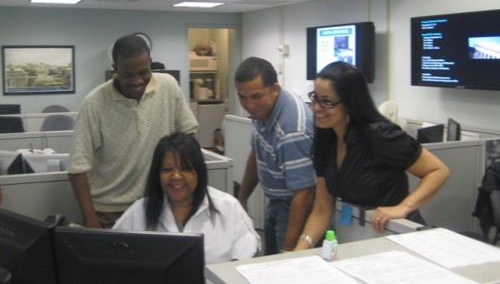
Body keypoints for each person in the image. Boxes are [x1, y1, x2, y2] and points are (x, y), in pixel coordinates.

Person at [294, 61, 450, 251]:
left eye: (327, 102)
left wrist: (404, 207)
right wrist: (298, 252)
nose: (317, 108)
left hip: (398, 237)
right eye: (315, 98)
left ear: (350, 103)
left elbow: (438, 170)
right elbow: (322, 209)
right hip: (360, 237)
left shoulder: (379, 136)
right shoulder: (326, 139)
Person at [68, 34, 198, 229]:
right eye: (128, 75)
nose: (137, 81)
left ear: (150, 64)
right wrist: (90, 218)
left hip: (158, 203)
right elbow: (77, 167)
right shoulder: (93, 104)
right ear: (115, 69)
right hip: (108, 210)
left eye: (144, 72)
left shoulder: (169, 87)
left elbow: (188, 136)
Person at [113, 132, 261, 264]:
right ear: (157, 174)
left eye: (185, 168)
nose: (176, 176)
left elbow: (248, 258)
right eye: (167, 169)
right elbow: (111, 256)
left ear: (199, 171)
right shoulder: (138, 212)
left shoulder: (228, 208)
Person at [234, 57, 316, 254]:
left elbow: (303, 193)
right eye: (242, 97)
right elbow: (257, 153)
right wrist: (242, 198)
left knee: (286, 268)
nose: (249, 105)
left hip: (296, 207)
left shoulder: (292, 130)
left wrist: (288, 251)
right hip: (277, 202)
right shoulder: (263, 111)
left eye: (255, 96)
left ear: (275, 90)